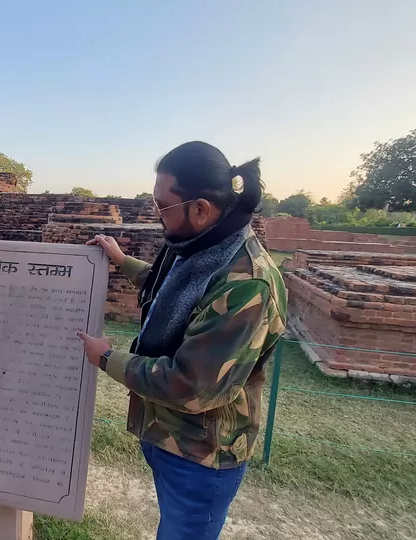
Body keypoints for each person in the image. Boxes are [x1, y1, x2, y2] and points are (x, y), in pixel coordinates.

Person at [77, 141, 288, 540]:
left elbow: (192, 385)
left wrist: (107, 358)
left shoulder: (246, 284)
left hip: (202, 454)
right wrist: (122, 261)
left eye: (163, 206)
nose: (158, 215)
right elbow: (173, 292)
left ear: (201, 208)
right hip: (171, 436)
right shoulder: (204, 247)